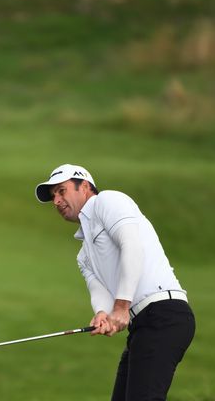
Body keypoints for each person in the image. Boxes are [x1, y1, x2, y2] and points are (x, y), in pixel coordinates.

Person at [35, 163, 195, 401]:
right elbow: (98, 290)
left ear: (85, 187)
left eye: (61, 191)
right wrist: (102, 313)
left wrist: (120, 307)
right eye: (53, 197)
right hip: (142, 326)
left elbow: (132, 246)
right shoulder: (83, 254)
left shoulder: (108, 201)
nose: (56, 201)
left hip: (165, 314)